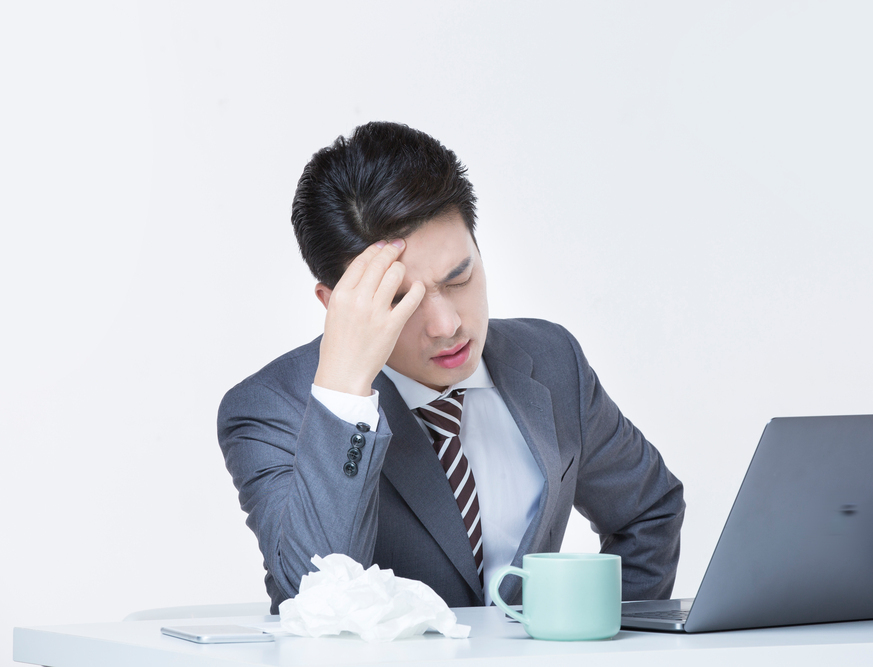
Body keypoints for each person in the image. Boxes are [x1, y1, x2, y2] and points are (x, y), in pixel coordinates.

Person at [218, 122, 685, 614]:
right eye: (399, 299)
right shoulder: (271, 408)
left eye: (459, 279)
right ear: (336, 304)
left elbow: (648, 511)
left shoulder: (552, 360)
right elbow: (313, 598)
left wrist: (596, 636)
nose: (446, 325)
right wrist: (344, 394)